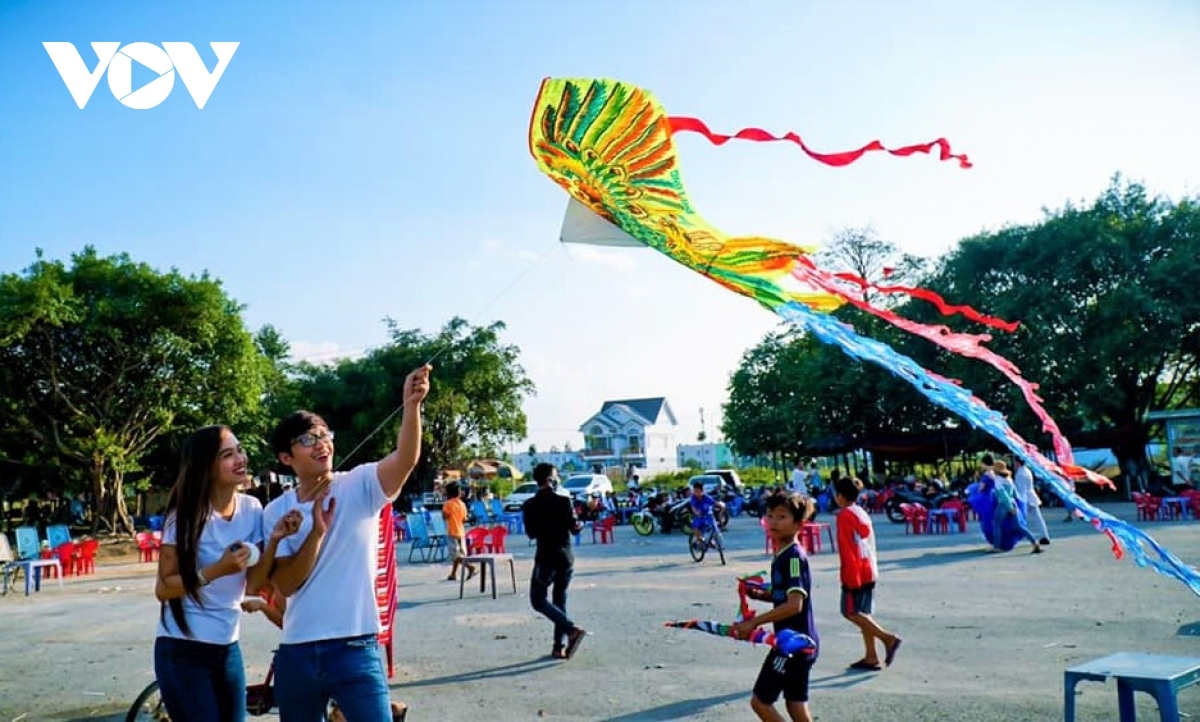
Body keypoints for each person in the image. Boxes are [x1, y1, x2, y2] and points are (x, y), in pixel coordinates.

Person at [262, 364, 430, 720]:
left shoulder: (360, 484)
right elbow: (286, 584)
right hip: (297, 651)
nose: (321, 443)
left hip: (356, 647)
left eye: (324, 434)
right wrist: (316, 532)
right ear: (286, 458)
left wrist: (411, 406)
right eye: (308, 439)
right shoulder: (276, 512)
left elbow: (406, 459)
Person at [154, 425, 301, 721]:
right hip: (183, 649)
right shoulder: (183, 516)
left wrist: (273, 540)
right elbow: (164, 588)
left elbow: (256, 584)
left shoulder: (252, 509)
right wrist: (217, 570)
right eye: (227, 455)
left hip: (227, 646)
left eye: (240, 450)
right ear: (206, 466)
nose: (240, 459)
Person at [732, 493, 820, 722]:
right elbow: (784, 595)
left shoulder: (792, 558)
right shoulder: (781, 554)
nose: (773, 522)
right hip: (801, 642)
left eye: (782, 517)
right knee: (795, 704)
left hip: (793, 644)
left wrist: (752, 623)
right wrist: (759, 594)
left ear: (799, 524)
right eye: (770, 515)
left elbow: (794, 605)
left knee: (760, 702)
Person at [832, 476, 901, 672]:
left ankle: (888, 638)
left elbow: (848, 548)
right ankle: (871, 656)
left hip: (855, 571)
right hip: (868, 568)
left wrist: (849, 577)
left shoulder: (845, 515)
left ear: (839, 495)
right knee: (864, 614)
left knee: (850, 611)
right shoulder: (860, 512)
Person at [522, 462, 587, 660]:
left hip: (545, 557)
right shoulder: (564, 501)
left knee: (538, 600)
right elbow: (575, 529)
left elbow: (531, 533)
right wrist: (581, 521)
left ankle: (571, 630)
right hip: (565, 557)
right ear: (551, 479)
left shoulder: (530, 505)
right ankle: (558, 647)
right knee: (560, 598)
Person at [989, 463, 1042, 554]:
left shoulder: (998, 479)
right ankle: (1034, 542)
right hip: (1013, 503)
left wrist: (1009, 507)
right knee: (1019, 526)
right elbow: (1015, 493)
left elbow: (1003, 494)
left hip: (1003, 504)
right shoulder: (1009, 478)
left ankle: (996, 547)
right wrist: (1014, 506)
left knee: (996, 524)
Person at [441, 481, 477, 582]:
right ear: (459, 493)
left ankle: (470, 567)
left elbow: (445, 516)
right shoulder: (462, 504)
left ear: (448, 493)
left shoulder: (447, 504)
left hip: (452, 532)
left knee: (455, 555)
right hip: (461, 533)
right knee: (460, 554)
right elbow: (464, 519)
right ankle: (453, 574)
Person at [1012, 458, 1049, 545]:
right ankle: (1045, 535)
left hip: (1024, 498)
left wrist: (1019, 500)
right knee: (1038, 518)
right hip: (1031, 496)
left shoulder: (1019, 474)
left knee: (1019, 520)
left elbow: (1021, 489)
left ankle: (1021, 537)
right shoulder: (1027, 471)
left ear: (1018, 463)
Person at [688, 479, 724, 550]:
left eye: (698, 491)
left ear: (702, 491)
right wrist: (696, 513)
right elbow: (693, 507)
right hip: (699, 517)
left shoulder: (706, 497)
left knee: (715, 529)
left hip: (708, 516)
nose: (696, 492)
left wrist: (721, 507)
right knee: (695, 527)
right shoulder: (693, 498)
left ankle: (718, 544)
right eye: (695, 491)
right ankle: (699, 541)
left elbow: (715, 503)